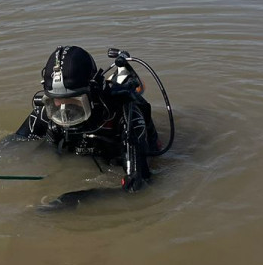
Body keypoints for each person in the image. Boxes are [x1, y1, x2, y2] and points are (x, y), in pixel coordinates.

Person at [14, 46, 163, 204]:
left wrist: (78, 199)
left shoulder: (124, 116)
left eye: (73, 102)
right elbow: (14, 144)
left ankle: (123, 73)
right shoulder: (50, 112)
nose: (64, 111)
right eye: (56, 102)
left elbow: (138, 187)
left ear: (91, 94)